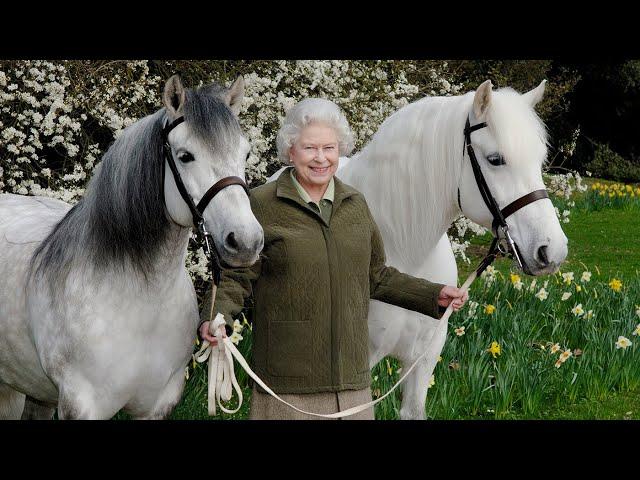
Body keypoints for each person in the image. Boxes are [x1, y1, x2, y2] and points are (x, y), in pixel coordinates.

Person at [199, 98, 468, 420]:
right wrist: (216, 317)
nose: (321, 158)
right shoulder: (262, 204)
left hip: (352, 381)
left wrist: (431, 294)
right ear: (290, 150)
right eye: (310, 148)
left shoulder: (355, 204)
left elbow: (376, 275)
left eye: (329, 148)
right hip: (288, 381)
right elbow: (237, 276)